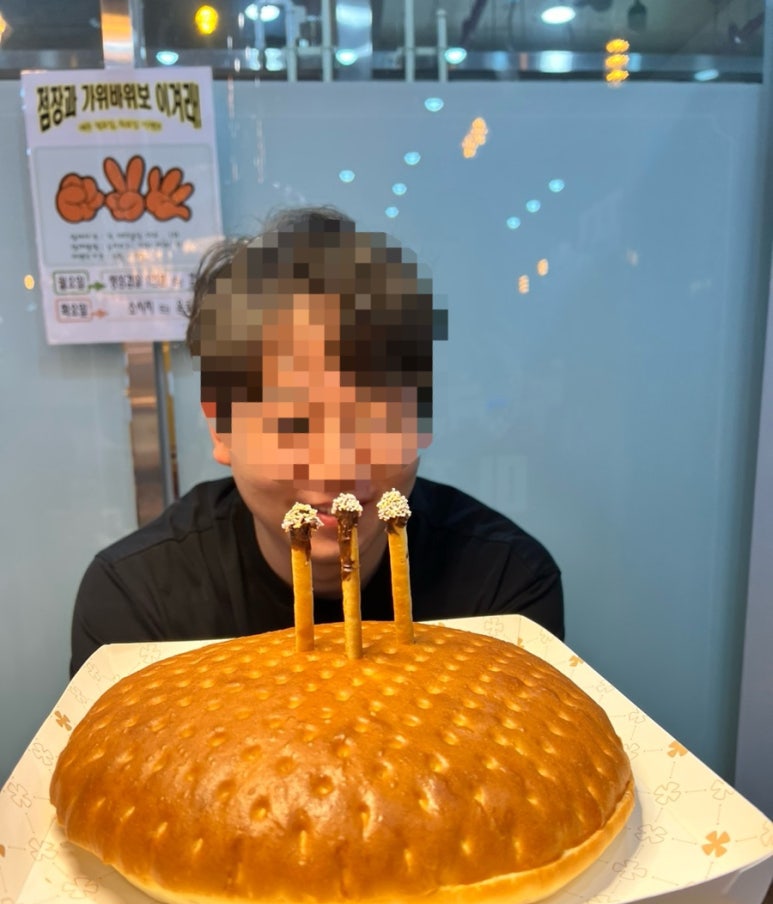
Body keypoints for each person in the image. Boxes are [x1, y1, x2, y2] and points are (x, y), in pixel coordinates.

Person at [70, 206, 563, 676]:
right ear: (221, 427)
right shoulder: (138, 602)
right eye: (294, 423)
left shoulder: (501, 587)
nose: (337, 465)